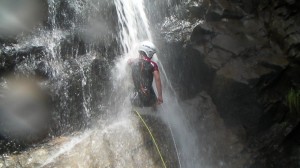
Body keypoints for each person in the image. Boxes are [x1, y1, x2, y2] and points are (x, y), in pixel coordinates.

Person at [128, 41, 163, 107]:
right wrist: (160, 96)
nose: (152, 56)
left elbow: (129, 62)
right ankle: (154, 113)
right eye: (152, 54)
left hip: (133, 96)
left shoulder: (133, 62)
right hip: (146, 98)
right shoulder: (152, 65)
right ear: (149, 52)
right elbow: (157, 80)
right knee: (156, 103)